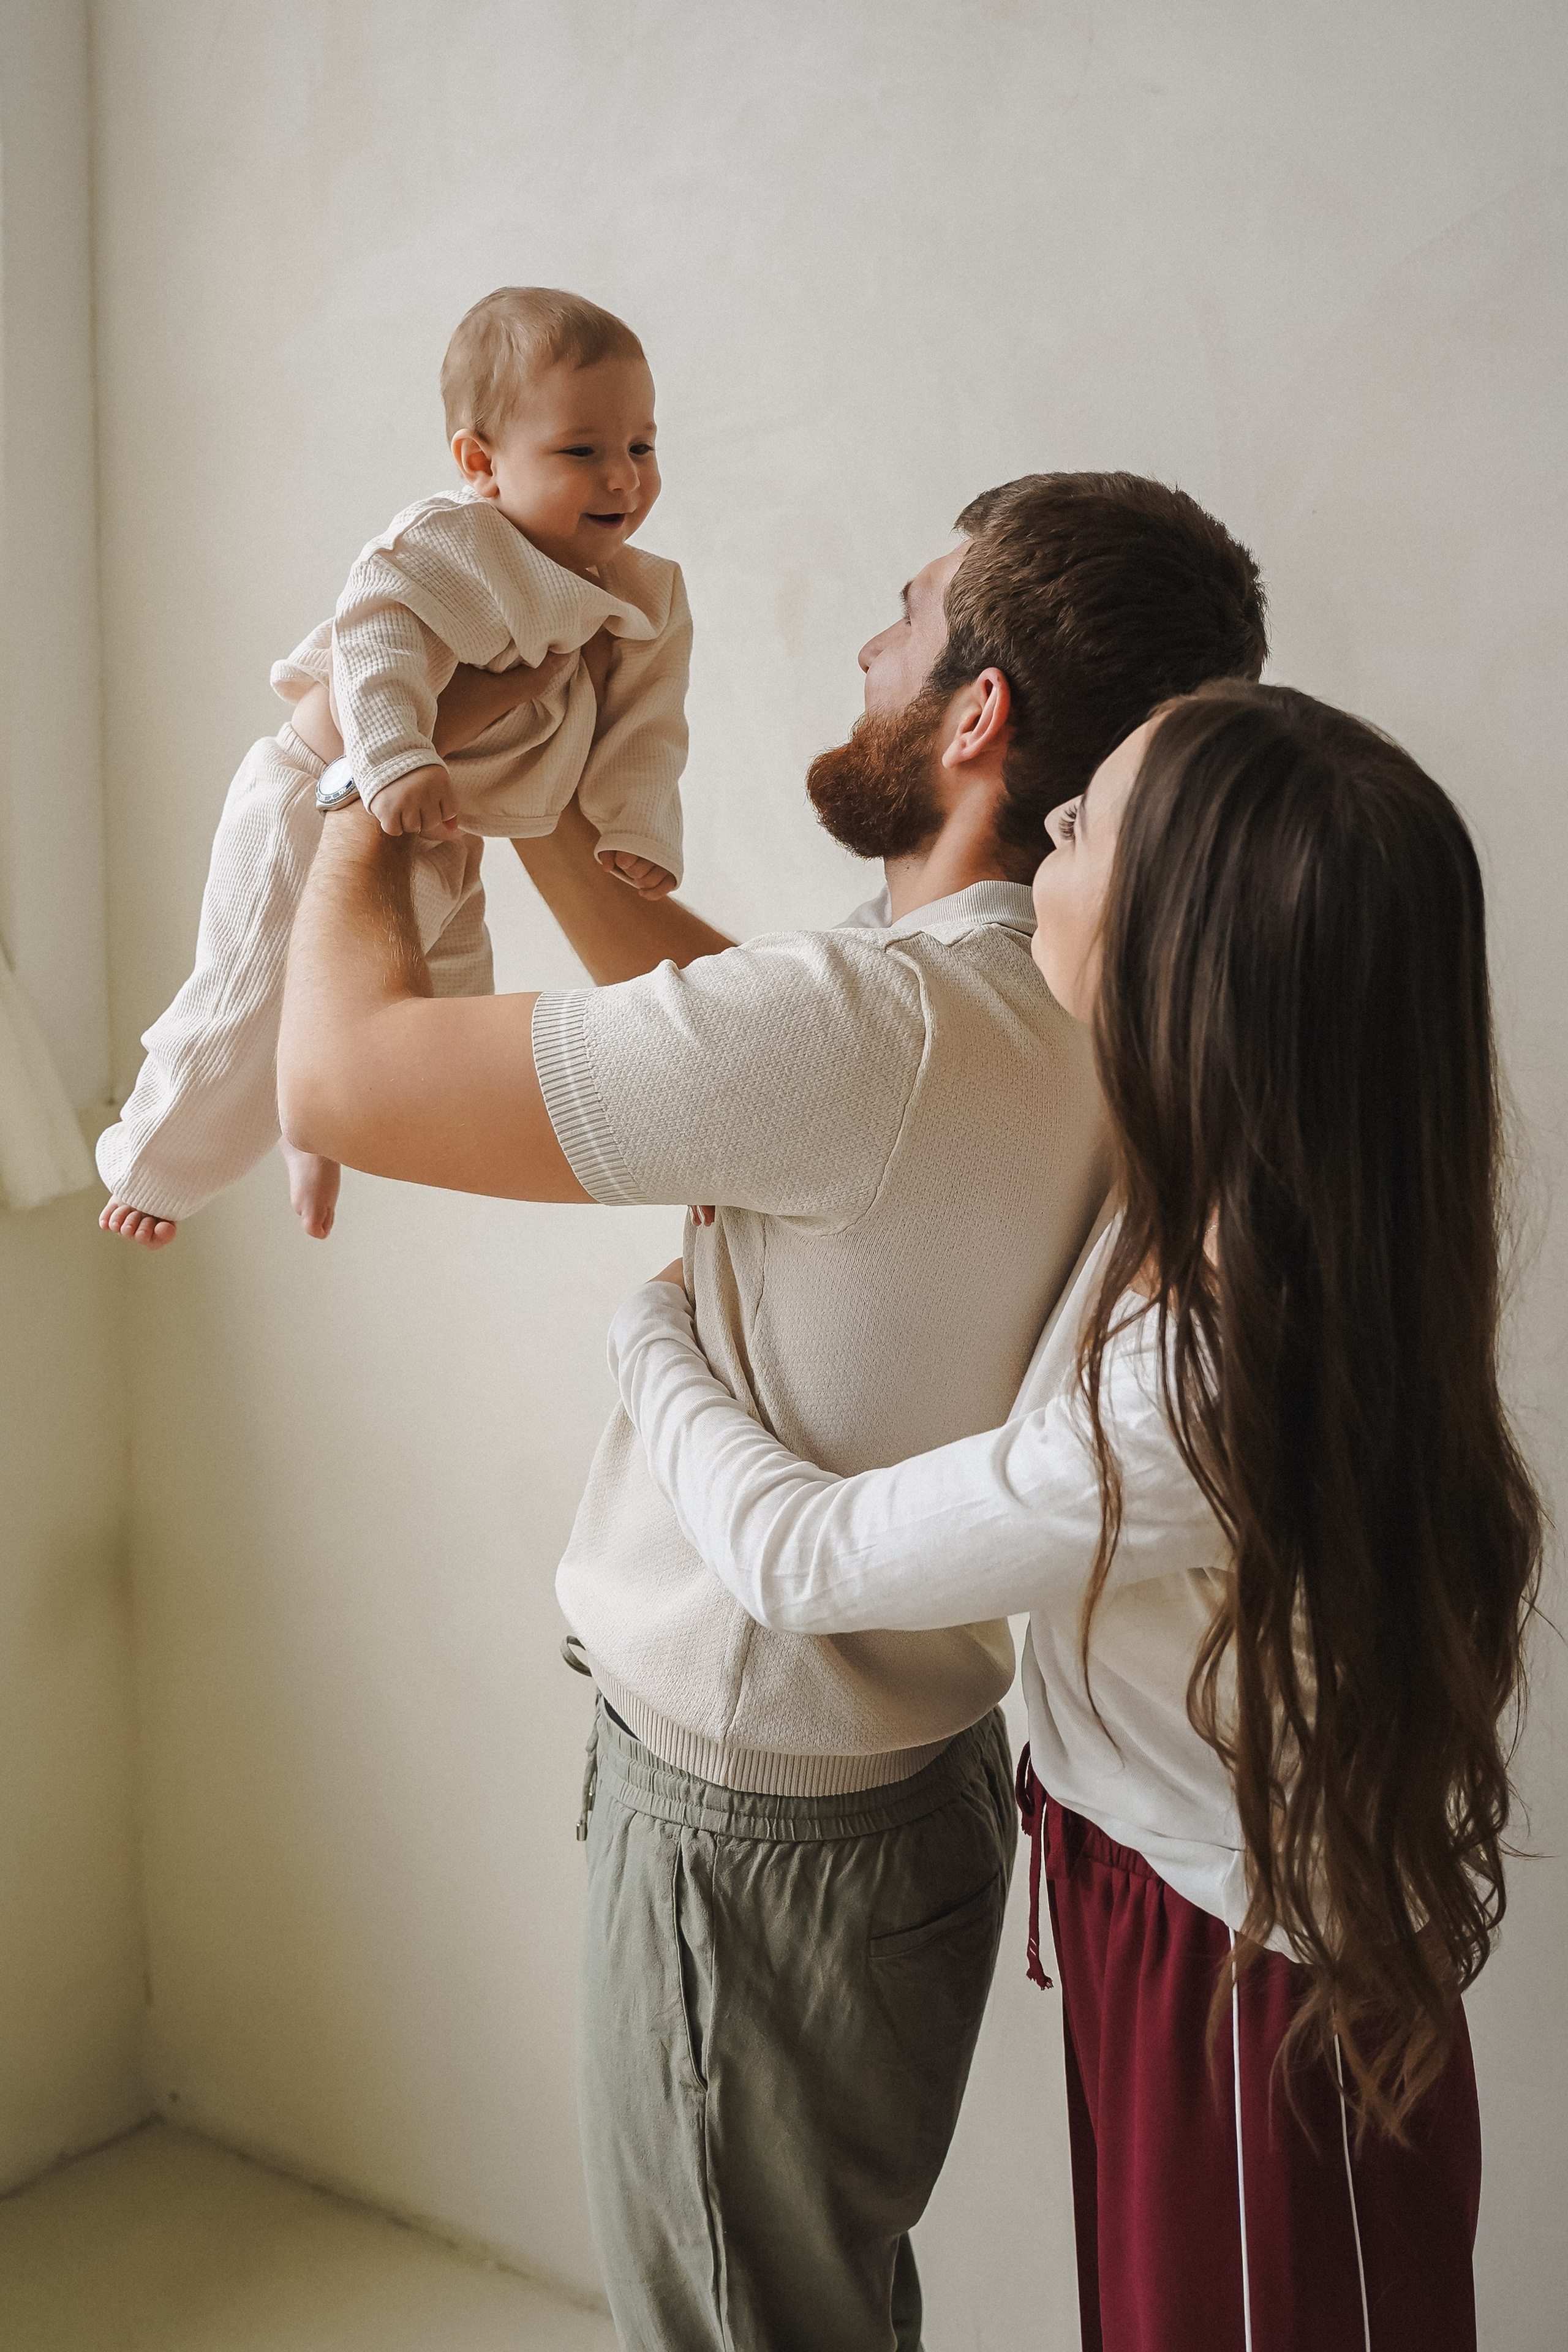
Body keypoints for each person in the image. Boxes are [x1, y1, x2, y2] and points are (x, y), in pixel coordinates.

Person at [275, 473, 1269, 2352]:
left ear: (978, 713)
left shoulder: (873, 1034)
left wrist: (352, 768)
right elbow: (792, 1062)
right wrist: (563, 822)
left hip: (751, 1840)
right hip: (903, 1795)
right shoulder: (1090, 994)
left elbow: (336, 1079)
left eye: (907, 613)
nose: (872, 646)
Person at [605, 681, 1545, 2352]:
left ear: (1188, 950)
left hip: (1244, 1979)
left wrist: (655, 1332)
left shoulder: (1214, 1379)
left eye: (1090, 819)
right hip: (1143, 1895)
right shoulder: (1236, 1176)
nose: (1045, 826)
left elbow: (801, 1558)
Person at [98, 285, 690, 1248]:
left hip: (442, 830)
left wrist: (636, 825)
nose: (623, 478)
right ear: (480, 462)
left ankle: (322, 1116)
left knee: (438, 1014)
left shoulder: (645, 592)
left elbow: (648, 725)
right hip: (320, 792)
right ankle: (151, 1162)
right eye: (583, 451)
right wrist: (404, 753)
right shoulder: (451, 544)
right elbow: (374, 641)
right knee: (247, 989)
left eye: (643, 447)